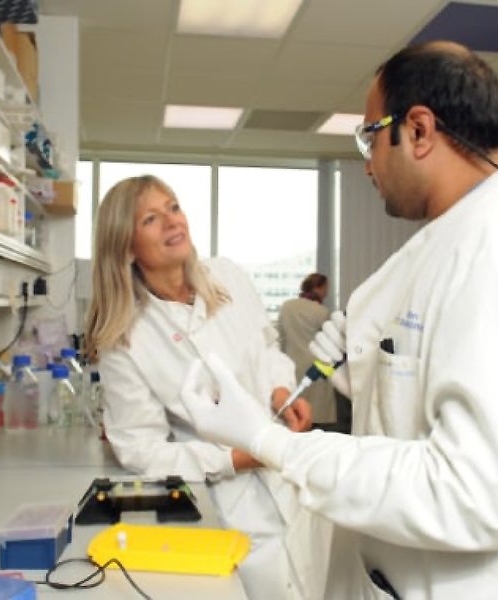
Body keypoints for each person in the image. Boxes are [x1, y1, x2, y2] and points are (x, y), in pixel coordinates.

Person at [180, 41, 498, 599]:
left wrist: (273, 444)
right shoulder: (450, 236)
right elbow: (412, 373)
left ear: (418, 130)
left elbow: (472, 494)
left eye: (370, 136)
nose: (366, 163)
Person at [83, 175, 330, 600]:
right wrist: (234, 459)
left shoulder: (227, 276)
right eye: (151, 218)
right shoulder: (125, 338)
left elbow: (267, 345)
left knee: (321, 578)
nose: (172, 222)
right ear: (126, 246)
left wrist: (278, 389)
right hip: (232, 504)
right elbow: (140, 450)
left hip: (292, 476)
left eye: (174, 208)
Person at [277, 273, 337, 426]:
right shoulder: (321, 312)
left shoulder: (287, 306)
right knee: (316, 418)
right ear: (319, 287)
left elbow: (280, 339)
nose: (327, 292)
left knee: (294, 415)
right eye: (326, 288)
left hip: (292, 366)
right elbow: (332, 343)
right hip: (317, 368)